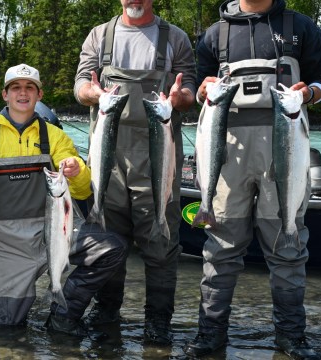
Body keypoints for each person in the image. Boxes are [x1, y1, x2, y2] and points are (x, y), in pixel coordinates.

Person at [183, 0, 321, 359]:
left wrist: (310, 92)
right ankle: (210, 334)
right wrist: (201, 90)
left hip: (286, 149)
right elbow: (195, 87)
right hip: (226, 155)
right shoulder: (215, 35)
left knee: (288, 248)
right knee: (219, 249)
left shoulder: (301, 26)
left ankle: (291, 337)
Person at [0, 64, 128, 340]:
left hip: (51, 234)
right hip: (5, 245)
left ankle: (63, 315)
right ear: (5, 95)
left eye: (29, 87)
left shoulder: (54, 136)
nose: (23, 93)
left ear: (39, 94)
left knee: (111, 249)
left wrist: (76, 170)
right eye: (16, 88)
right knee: (7, 330)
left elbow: (81, 192)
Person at [73, 0, 197, 345]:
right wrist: (92, 93)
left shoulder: (176, 38)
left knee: (161, 241)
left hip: (159, 156)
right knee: (108, 239)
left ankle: (158, 320)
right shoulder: (99, 36)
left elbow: (189, 92)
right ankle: (107, 312)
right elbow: (81, 85)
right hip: (107, 158)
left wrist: (180, 97)